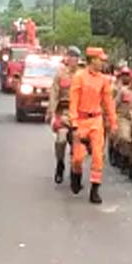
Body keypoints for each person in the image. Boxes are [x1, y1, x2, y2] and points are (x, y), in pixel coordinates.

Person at [68, 47, 117, 204]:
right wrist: (74, 123)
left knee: (97, 155)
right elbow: (73, 101)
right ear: (92, 60)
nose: (103, 63)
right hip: (81, 120)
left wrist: (113, 121)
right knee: (78, 157)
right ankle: (75, 176)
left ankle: (95, 189)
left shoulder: (103, 80)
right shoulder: (79, 77)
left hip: (96, 120)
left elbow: (108, 102)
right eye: (100, 60)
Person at [47, 46, 80, 184]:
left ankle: (75, 174)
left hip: (79, 114)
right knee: (61, 140)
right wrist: (51, 111)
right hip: (64, 111)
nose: (73, 59)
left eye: (75, 57)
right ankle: (60, 164)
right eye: (71, 56)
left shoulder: (82, 75)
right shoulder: (60, 75)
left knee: (78, 146)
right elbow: (54, 93)